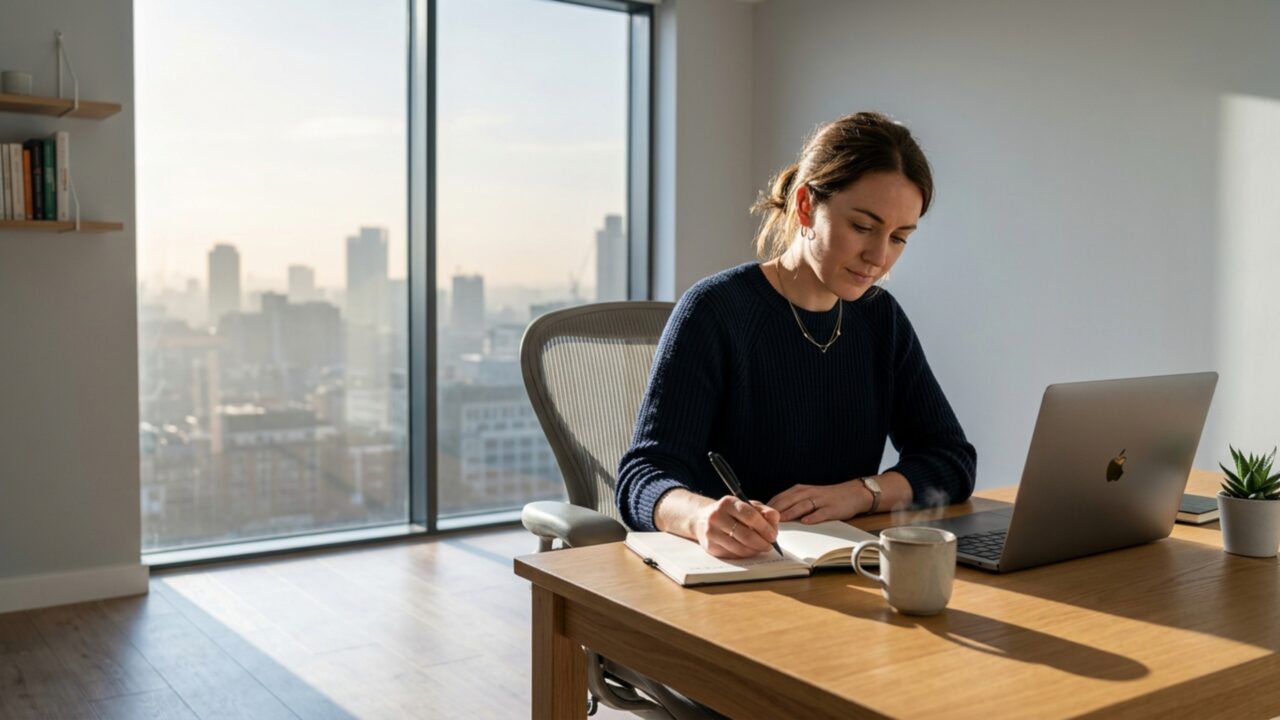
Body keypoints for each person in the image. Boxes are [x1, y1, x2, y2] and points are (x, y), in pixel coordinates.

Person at [616, 111, 977, 559]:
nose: (879, 257)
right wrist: (700, 517)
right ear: (806, 206)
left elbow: (951, 460)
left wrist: (862, 493)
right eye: (862, 227)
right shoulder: (715, 311)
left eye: (900, 237)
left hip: (842, 568)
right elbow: (644, 475)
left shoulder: (880, 319)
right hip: (735, 573)